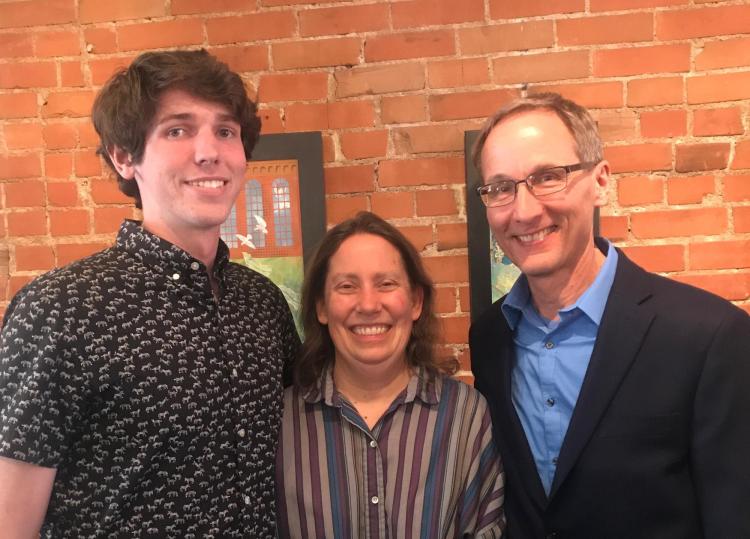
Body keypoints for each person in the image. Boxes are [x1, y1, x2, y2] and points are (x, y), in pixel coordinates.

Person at [0, 49, 299, 538]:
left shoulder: (261, 304)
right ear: (124, 157)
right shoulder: (61, 309)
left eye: (225, 131)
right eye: (177, 130)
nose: (209, 151)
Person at [469, 92, 750, 539]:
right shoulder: (490, 338)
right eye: (501, 188)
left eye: (548, 177)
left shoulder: (709, 336)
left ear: (600, 182)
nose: (523, 211)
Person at [276, 211, 505, 538]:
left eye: (386, 284)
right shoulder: (280, 421)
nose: (368, 304)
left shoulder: (466, 416)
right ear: (321, 308)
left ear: (415, 302)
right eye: (346, 286)